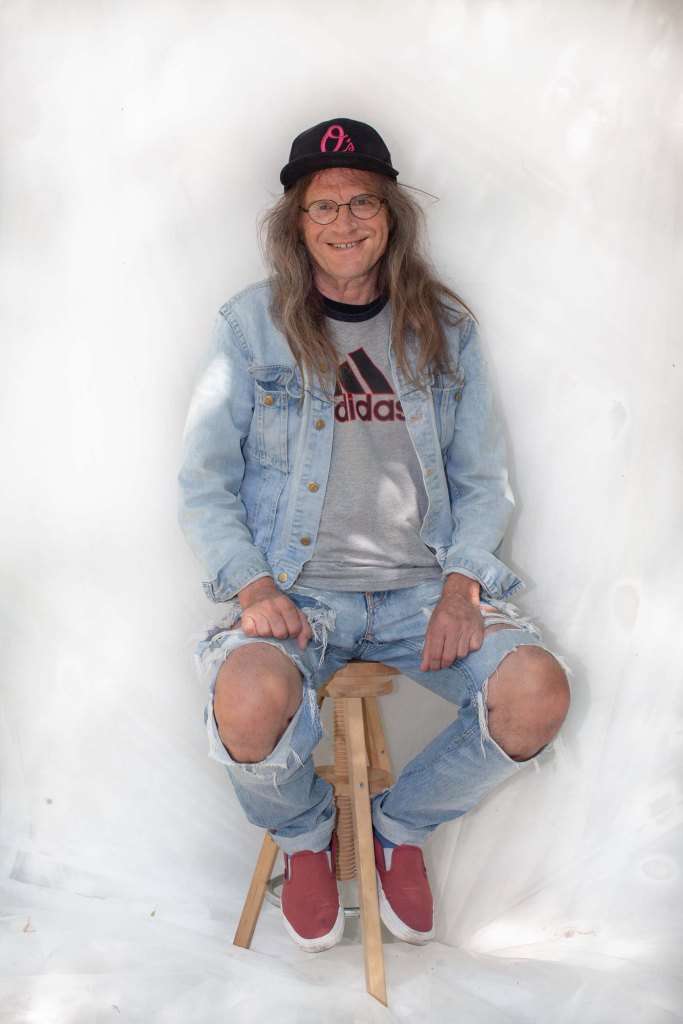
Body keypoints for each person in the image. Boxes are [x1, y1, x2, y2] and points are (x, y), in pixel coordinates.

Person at [178, 117, 570, 953]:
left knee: (537, 694)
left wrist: (461, 586)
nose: (344, 222)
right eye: (322, 206)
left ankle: (399, 824)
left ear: (391, 215)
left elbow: (481, 479)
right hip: (298, 593)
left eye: (362, 202)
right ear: (295, 223)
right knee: (246, 706)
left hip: (420, 592)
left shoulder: (445, 328)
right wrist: (253, 586)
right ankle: (306, 835)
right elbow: (204, 483)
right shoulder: (249, 328)